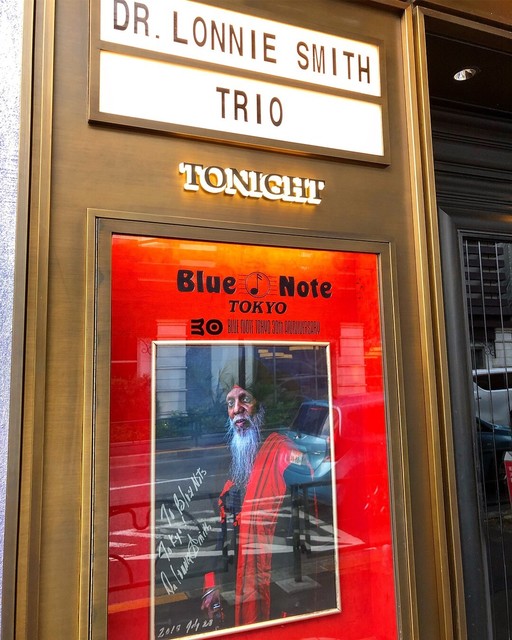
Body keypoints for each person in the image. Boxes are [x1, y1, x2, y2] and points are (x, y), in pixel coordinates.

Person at [201, 384, 301, 626]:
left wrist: (292, 600)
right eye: (230, 403)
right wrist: (211, 585)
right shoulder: (229, 460)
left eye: (244, 399)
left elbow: (297, 532)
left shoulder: (284, 454)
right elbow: (218, 530)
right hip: (232, 586)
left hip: (275, 585)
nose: (237, 409)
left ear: (261, 407)